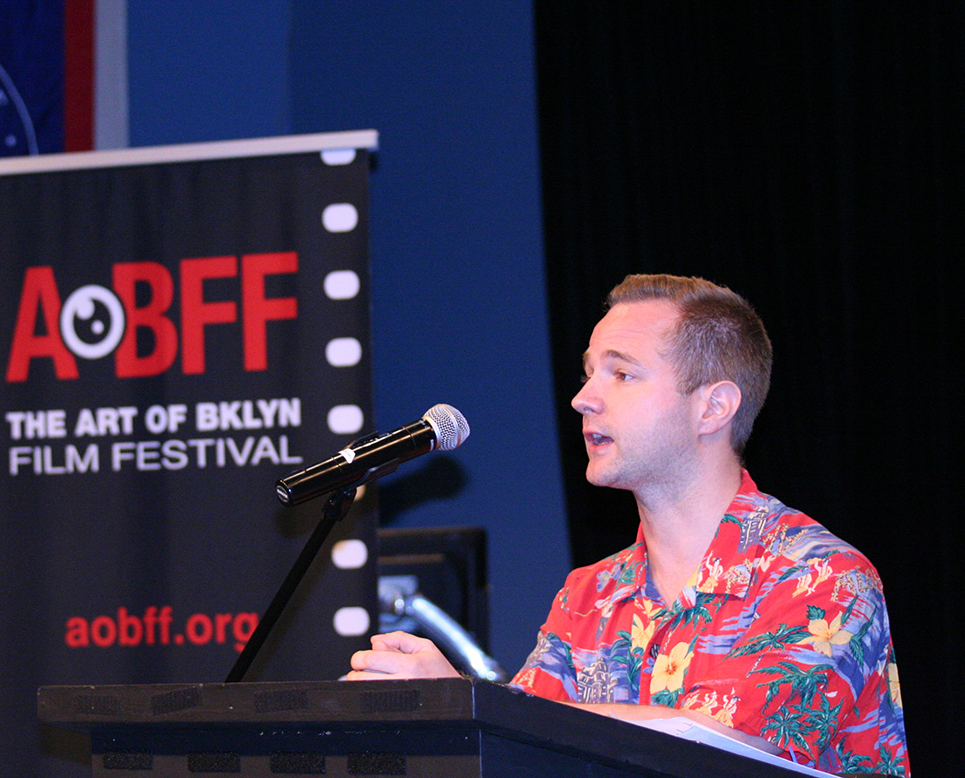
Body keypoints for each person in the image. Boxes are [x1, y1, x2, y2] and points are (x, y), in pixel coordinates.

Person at [347, 274, 910, 774]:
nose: (583, 399)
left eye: (622, 373)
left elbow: (726, 750)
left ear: (713, 408)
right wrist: (439, 713)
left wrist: (471, 703)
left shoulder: (821, 577)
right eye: (589, 373)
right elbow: (521, 753)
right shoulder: (589, 595)